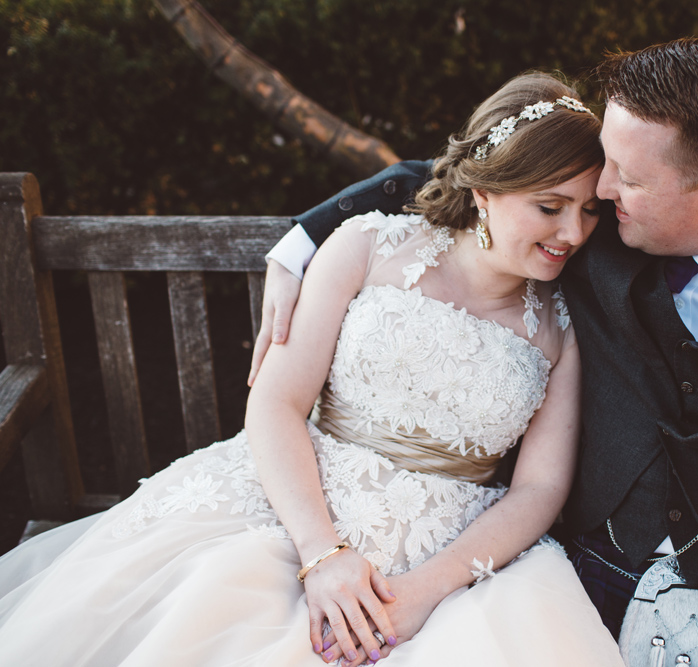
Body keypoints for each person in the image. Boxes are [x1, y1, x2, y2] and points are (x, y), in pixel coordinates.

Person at [255, 37, 698, 666]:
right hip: (591, 561)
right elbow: (498, 172)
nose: (599, 190)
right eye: (605, 163)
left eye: (626, 177)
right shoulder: (588, 223)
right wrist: (301, 241)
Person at [0, 72, 628, 667]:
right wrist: (323, 555)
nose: (573, 233)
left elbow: (538, 489)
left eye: (589, 210)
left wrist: (425, 590)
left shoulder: (565, 325)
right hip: (295, 508)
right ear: (484, 191)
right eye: (550, 207)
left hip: (452, 551)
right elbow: (277, 402)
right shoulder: (366, 246)